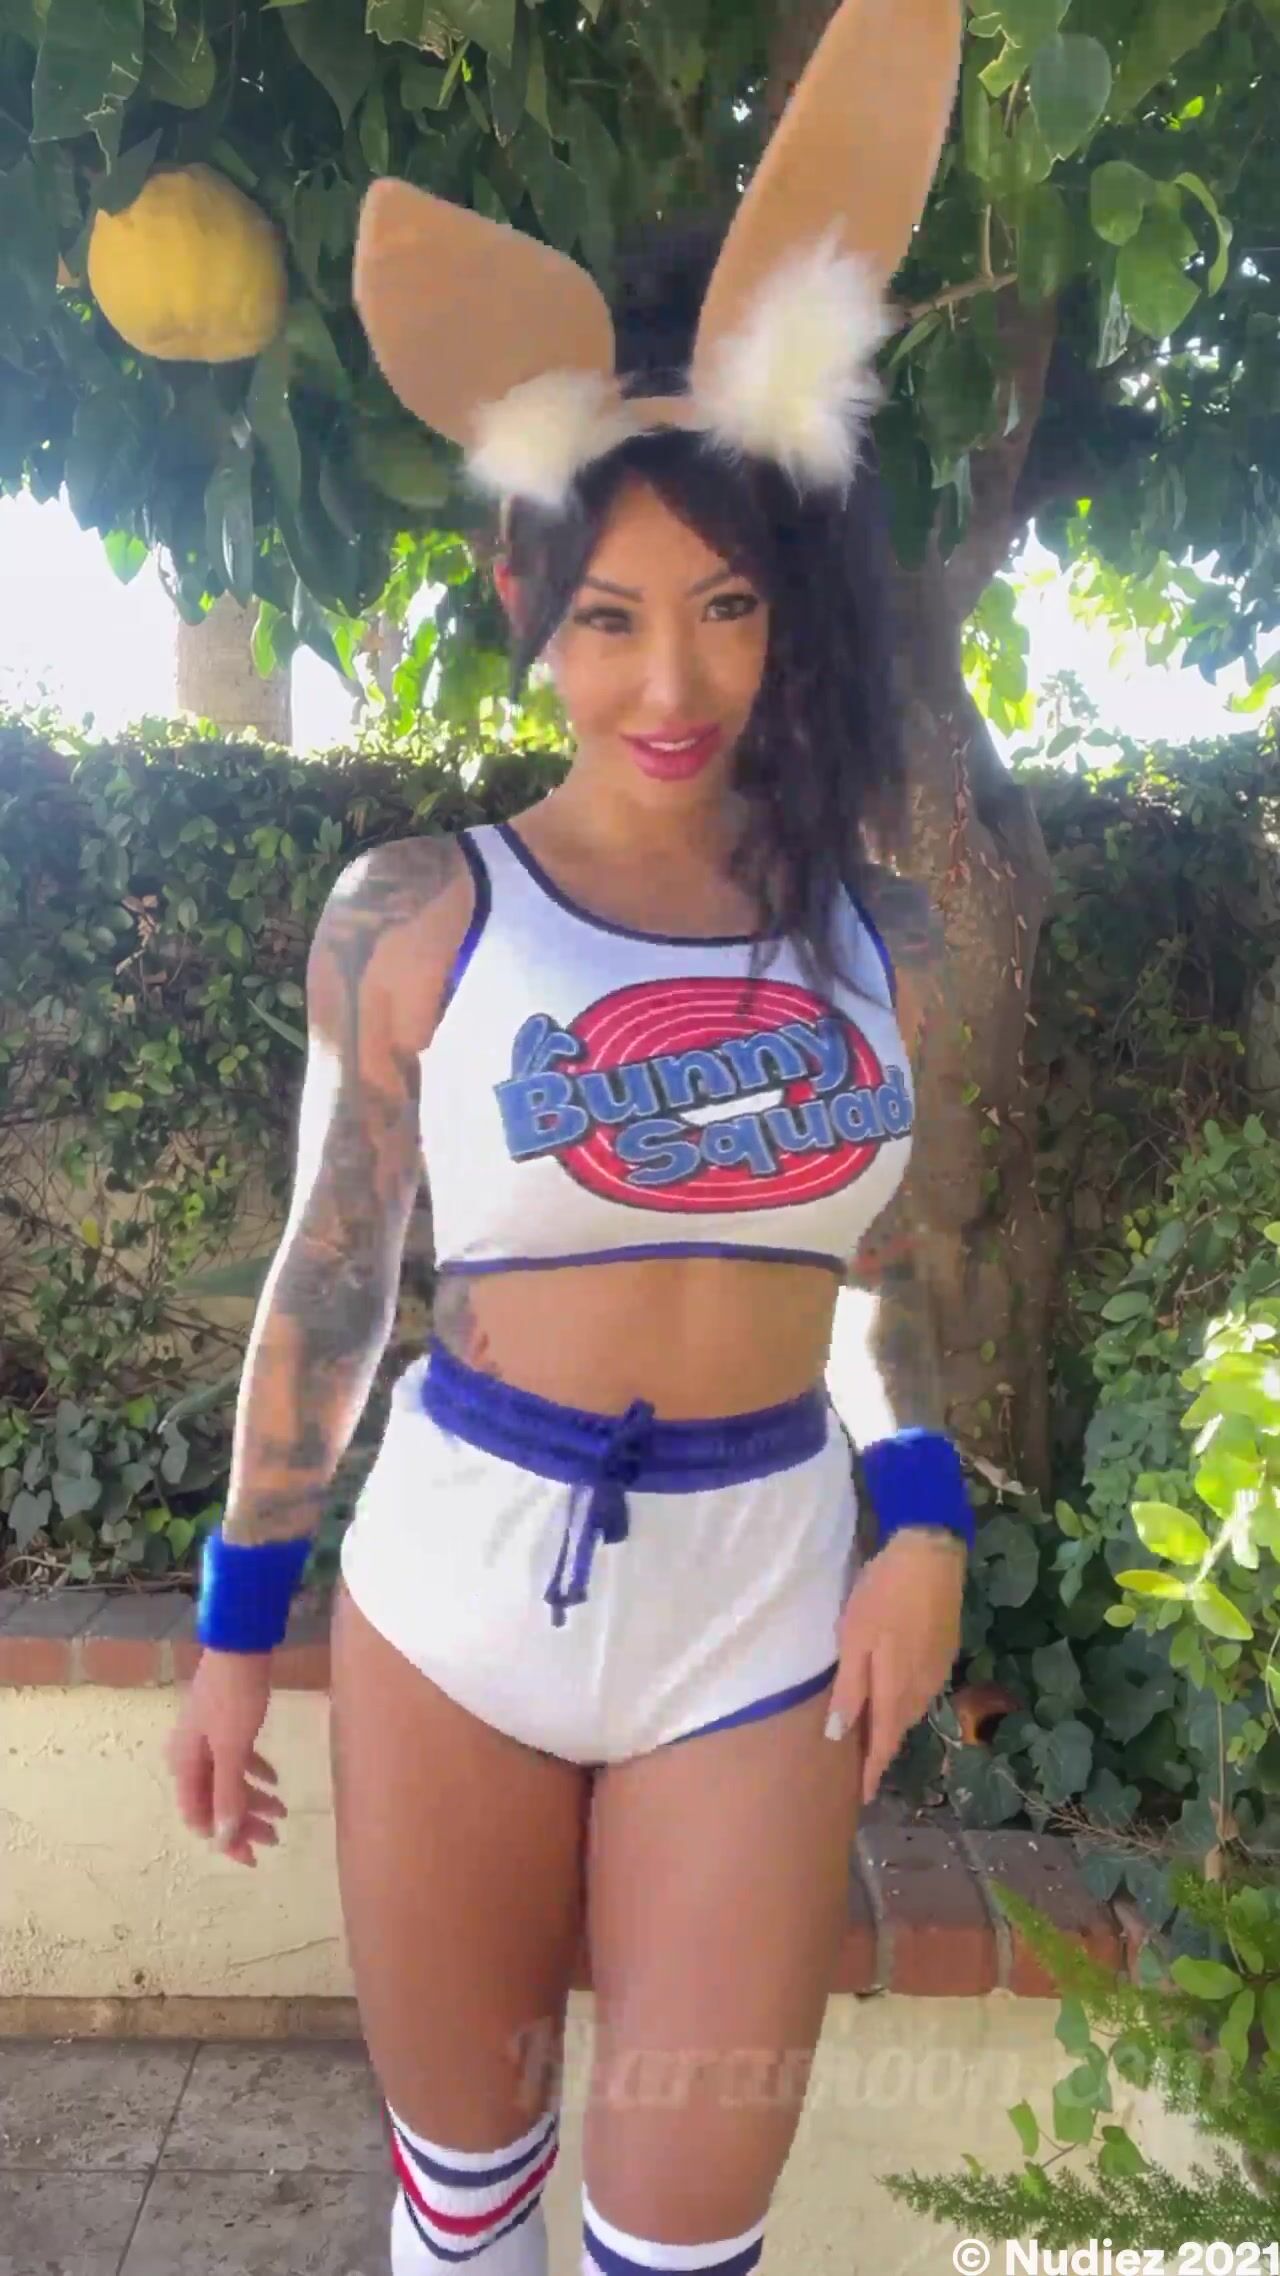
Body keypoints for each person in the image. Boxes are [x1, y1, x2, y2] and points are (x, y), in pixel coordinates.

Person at [166, 5, 972, 2272]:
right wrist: (233, 1627)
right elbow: (335, 1276)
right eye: (611, 616)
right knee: (467, 2201)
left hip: (759, 1605)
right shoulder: (419, 909)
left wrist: (921, 1517)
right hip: (454, 1593)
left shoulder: (882, 940)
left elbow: (874, 1275)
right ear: (534, 608)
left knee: (685, 2223)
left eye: (727, 608)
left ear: (798, 611)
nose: (670, 681)